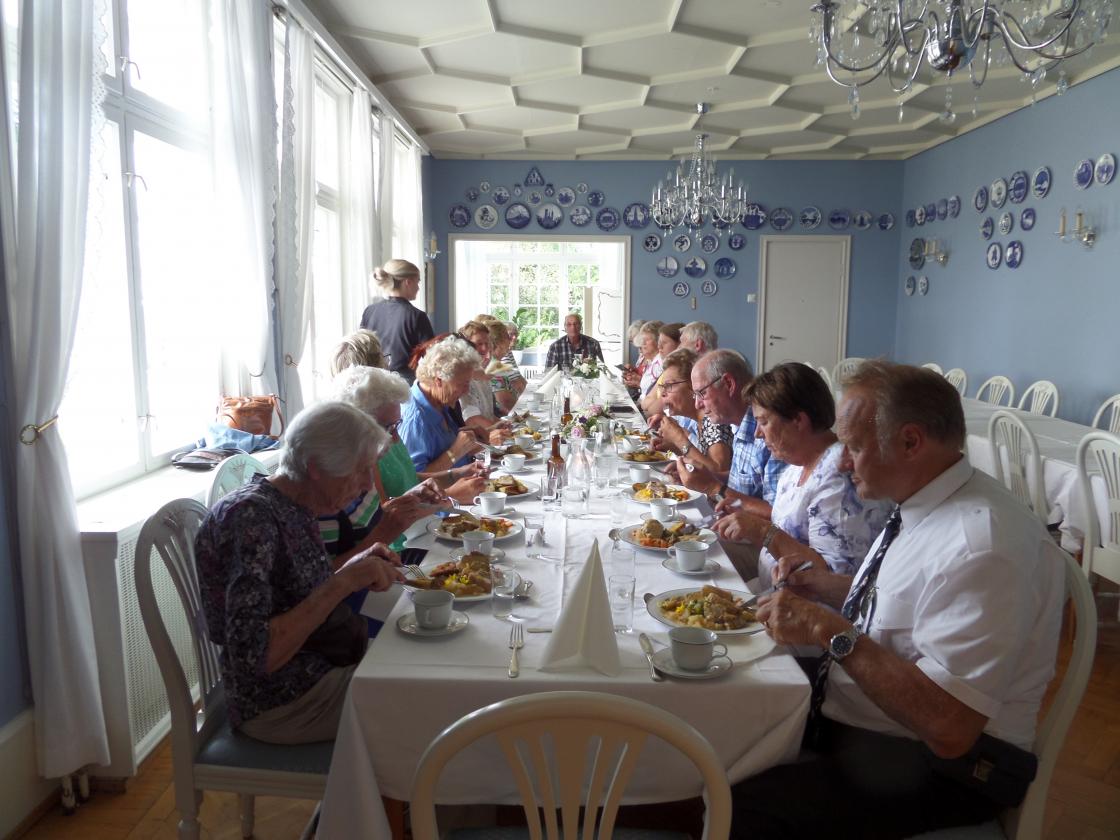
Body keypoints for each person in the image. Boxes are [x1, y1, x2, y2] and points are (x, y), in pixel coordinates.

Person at [733, 361, 1066, 838]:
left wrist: (825, 628)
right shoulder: (921, 503)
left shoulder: (982, 545)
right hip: (866, 717)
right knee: (733, 693)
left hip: (944, 767)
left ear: (910, 442)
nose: (841, 463)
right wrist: (824, 588)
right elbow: (906, 604)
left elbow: (949, 727)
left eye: (853, 446)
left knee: (743, 807)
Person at [195, 401, 406, 744]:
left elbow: (296, 591)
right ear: (315, 468)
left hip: (320, 668)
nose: (368, 484)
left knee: (429, 664)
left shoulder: (294, 503)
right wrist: (344, 582)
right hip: (283, 701)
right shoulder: (251, 519)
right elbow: (257, 657)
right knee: (432, 700)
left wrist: (356, 564)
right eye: (360, 470)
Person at [712, 362, 890, 584]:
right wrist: (747, 522)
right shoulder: (795, 467)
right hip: (772, 589)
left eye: (764, 422)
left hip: (802, 603)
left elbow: (834, 578)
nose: (757, 434)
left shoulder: (839, 477)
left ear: (798, 420)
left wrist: (762, 530)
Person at [329, 366, 488, 555]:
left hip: (416, 534)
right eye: (390, 427)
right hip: (403, 545)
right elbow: (383, 516)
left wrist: (455, 474)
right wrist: (449, 497)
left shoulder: (387, 438)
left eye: (398, 424)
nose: (397, 437)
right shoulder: (356, 464)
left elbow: (408, 476)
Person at [671, 349, 786, 516]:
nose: (697, 405)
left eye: (702, 393)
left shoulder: (768, 435)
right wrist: (703, 476)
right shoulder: (737, 424)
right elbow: (741, 481)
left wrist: (712, 487)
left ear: (729, 384)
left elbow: (779, 516)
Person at [400, 335, 483, 473]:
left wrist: (473, 443)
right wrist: (455, 451)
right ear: (439, 380)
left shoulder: (439, 401)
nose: (466, 390)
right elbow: (414, 480)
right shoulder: (415, 420)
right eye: (463, 384)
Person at [648, 348, 733, 482]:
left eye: (669, 385)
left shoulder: (713, 418)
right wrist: (673, 446)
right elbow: (702, 460)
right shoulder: (697, 420)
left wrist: (678, 438)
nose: (663, 393)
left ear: (693, 385)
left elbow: (719, 471)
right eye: (663, 387)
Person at [359, 259, 433, 384]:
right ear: (408, 282)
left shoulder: (369, 311)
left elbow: (361, 349)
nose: (418, 288)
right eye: (418, 282)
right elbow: (432, 356)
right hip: (404, 385)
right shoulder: (416, 316)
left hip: (372, 382)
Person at [640, 321, 684, 415]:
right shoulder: (667, 370)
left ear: (679, 344)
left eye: (664, 342)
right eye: (659, 342)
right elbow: (647, 400)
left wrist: (648, 406)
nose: (659, 346)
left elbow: (653, 410)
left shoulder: (677, 373)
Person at [483, 319, 526, 413]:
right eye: (507, 337)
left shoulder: (497, 364)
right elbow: (506, 402)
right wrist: (525, 411)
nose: (510, 340)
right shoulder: (493, 367)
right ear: (498, 342)